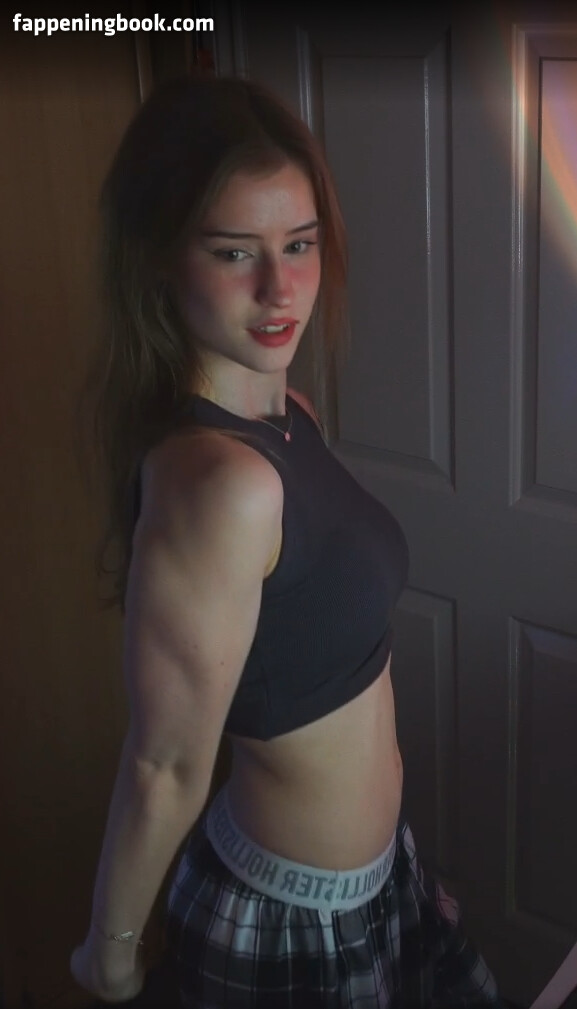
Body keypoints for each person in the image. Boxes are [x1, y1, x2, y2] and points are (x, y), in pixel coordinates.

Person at [71, 75, 503, 1007]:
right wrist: (111, 950)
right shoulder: (220, 487)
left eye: (298, 244)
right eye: (235, 252)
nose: (280, 289)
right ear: (159, 259)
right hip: (291, 924)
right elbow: (163, 764)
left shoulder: (287, 414)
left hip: (376, 883)